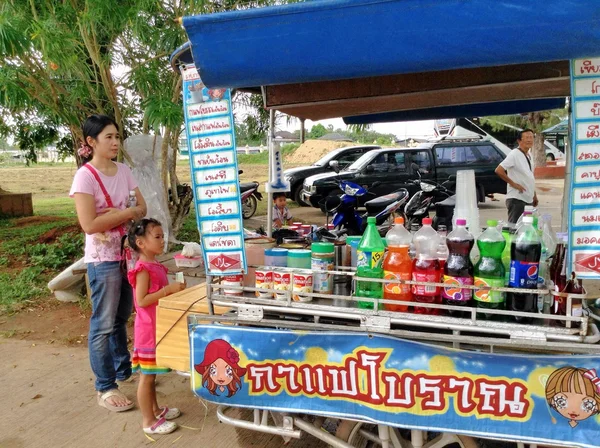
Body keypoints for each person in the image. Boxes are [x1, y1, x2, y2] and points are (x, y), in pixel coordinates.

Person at [70, 115, 147, 412]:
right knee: (102, 324)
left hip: (126, 256)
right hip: (102, 259)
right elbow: (89, 224)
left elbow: (143, 207)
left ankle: (122, 370)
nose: (115, 142)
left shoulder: (124, 171)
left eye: (117, 137)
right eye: (109, 137)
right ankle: (105, 386)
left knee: (120, 318)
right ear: (91, 142)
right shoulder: (85, 177)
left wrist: (117, 214)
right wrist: (125, 213)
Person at [127, 218, 186, 435]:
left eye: (163, 236)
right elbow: (141, 301)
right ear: (141, 243)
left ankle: (156, 409)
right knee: (147, 376)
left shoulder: (155, 264)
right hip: (148, 331)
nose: (163, 241)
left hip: (157, 328)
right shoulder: (142, 268)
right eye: (157, 237)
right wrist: (168, 291)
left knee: (151, 375)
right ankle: (148, 421)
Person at [494, 129, 539, 223]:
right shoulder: (514, 154)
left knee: (526, 229)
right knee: (514, 228)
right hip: (517, 199)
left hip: (528, 198)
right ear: (519, 141)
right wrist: (513, 184)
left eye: (531, 137)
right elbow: (499, 170)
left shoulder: (529, 155)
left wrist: (534, 195)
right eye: (526, 138)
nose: (529, 140)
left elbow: (529, 176)